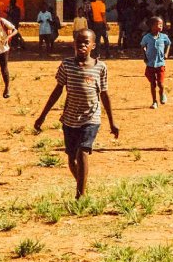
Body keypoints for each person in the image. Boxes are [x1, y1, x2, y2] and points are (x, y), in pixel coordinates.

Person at [33, 29, 119, 199]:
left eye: (86, 42)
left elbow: (104, 94)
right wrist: (42, 116)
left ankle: (80, 195)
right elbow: (57, 91)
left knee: (83, 151)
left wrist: (112, 121)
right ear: (74, 44)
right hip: (70, 119)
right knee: (72, 159)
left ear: (93, 46)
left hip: (91, 117)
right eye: (79, 42)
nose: (82, 45)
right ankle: (82, 182)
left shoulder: (100, 67)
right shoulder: (67, 65)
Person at [140, 15, 172, 108]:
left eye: (162, 24)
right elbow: (142, 46)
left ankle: (162, 94)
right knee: (153, 84)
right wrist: (144, 55)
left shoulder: (164, 37)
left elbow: (168, 44)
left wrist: (166, 53)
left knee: (161, 84)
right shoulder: (147, 37)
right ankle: (154, 101)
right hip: (150, 64)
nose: (161, 26)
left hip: (160, 64)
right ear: (152, 26)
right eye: (159, 24)